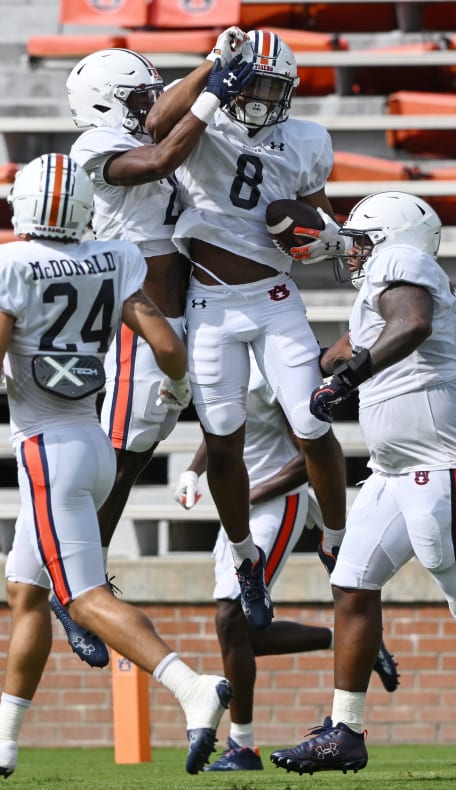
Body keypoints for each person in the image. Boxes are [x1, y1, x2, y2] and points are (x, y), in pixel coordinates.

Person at [0, 154, 232, 778]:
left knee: (83, 599)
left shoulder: (5, 266)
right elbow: (167, 347)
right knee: (26, 591)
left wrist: (15, 321)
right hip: (95, 443)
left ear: (22, 203)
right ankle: (2, 737)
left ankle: (190, 687)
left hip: (48, 451)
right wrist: (178, 392)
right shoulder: (115, 256)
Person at [268, 191, 456, 781]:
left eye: (362, 241)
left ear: (387, 238)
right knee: (352, 583)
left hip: (443, 462)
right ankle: (345, 732)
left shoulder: (401, 263)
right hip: (392, 469)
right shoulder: (374, 291)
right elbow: (335, 354)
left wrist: (350, 377)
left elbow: (412, 322)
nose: (355, 253)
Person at [49, 33, 254, 667]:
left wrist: (213, 64)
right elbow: (162, 159)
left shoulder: (135, 129)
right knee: (120, 456)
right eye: (137, 96)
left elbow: (164, 120)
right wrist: (210, 98)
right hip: (140, 320)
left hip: (185, 309)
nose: (150, 104)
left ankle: (237, 559)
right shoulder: (95, 147)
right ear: (106, 104)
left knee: (142, 453)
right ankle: (79, 586)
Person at [145, 29, 352, 632]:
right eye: (252, 82)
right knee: (224, 441)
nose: (261, 96)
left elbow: (319, 221)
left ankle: (335, 538)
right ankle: (245, 559)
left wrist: (327, 239)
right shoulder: (202, 121)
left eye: (272, 85)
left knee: (313, 424)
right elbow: (157, 126)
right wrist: (211, 67)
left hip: (276, 297)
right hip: (210, 303)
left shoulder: (307, 139)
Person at [173, 351, 399, 771]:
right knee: (241, 632)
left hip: (276, 502)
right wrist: (193, 471)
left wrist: (251, 494)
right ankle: (351, 642)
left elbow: (312, 454)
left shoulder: (271, 366)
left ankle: (242, 746)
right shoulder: (222, 356)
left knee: (231, 618)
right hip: (238, 504)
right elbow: (221, 429)